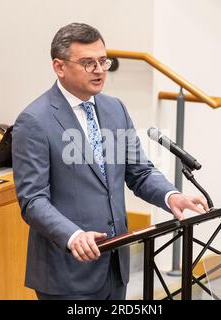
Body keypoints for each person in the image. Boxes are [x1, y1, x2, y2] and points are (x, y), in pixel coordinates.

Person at [12, 22, 209, 300]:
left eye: (104, 61)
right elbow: (32, 200)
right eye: (88, 63)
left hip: (115, 263)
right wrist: (72, 236)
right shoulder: (34, 121)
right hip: (68, 270)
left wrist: (170, 195)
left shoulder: (115, 109)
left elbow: (139, 172)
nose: (100, 70)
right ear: (59, 67)